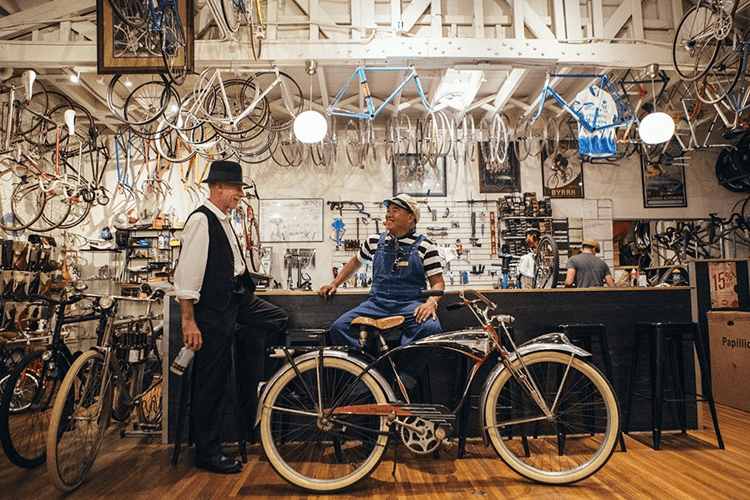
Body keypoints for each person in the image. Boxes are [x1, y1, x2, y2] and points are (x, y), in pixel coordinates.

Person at [174, 160, 288, 474]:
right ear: (219, 188)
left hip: (236, 299)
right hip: (211, 310)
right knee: (212, 381)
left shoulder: (224, 219)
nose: (241, 193)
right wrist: (188, 320)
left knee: (278, 319)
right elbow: (187, 276)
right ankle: (207, 453)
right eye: (237, 188)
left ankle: (264, 381)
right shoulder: (201, 220)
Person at [317, 193, 444, 388]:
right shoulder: (375, 241)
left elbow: (438, 283)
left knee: (431, 329)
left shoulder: (426, 246)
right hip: (377, 304)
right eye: (387, 211)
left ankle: (403, 376)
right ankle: (368, 375)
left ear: (411, 217)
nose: (388, 215)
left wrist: (431, 302)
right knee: (339, 328)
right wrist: (335, 283)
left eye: (395, 211)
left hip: (409, 305)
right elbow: (355, 263)